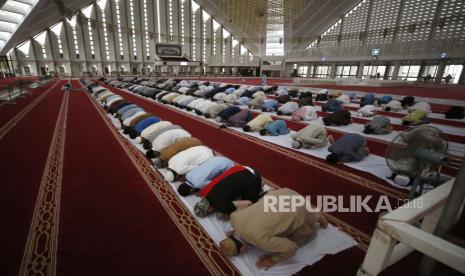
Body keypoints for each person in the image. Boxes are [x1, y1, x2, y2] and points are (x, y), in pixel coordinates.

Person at [218, 188, 328, 269]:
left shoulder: (261, 241)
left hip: (299, 205)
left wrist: (272, 260)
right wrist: (238, 229)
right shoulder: (234, 218)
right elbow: (246, 204)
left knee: (302, 236)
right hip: (282, 192)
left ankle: (316, 216)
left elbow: (291, 248)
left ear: (242, 249)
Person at [194, 166, 262, 217]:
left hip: (253, 176)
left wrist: (229, 213)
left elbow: (247, 202)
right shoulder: (203, 192)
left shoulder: (222, 207)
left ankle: (259, 187)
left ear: (208, 210)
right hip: (239, 168)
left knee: (250, 204)